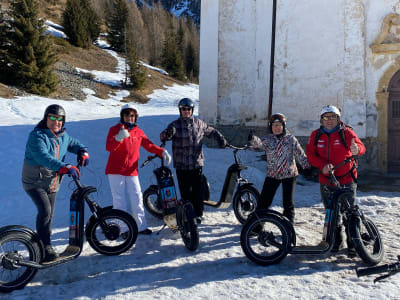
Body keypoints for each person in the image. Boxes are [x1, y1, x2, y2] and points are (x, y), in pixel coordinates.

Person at [22, 104, 89, 262]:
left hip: (52, 183)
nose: (56, 121)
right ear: (46, 118)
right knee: (45, 211)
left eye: (60, 119)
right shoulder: (37, 136)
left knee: (49, 214)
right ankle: (44, 247)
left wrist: (82, 151)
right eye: (52, 117)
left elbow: (73, 143)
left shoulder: (63, 135)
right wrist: (64, 166)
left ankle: (44, 244)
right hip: (34, 182)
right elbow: (42, 157)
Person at [306, 105, 366, 256]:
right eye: (326, 117)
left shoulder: (346, 132)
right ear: (321, 120)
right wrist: (322, 166)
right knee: (331, 213)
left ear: (338, 119)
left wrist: (357, 149)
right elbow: (310, 155)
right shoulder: (316, 135)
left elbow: (360, 146)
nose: (329, 120)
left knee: (350, 212)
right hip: (327, 181)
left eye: (333, 117)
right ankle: (335, 242)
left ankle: (354, 243)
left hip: (346, 179)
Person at [105, 103, 171, 235]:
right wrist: (118, 138)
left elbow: (149, 145)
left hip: (131, 171)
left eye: (132, 115)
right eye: (127, 115)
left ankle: (141, 226)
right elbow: (109, 147)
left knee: (137, 197)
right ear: (122, 116)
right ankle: (122, 228)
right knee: (119, 200)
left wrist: (161, 152)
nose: (130, 118)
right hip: (115, 170)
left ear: (136, 117)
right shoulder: (115, 129)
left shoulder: (138, 132)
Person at [160, 98, 227, 223]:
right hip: (181, 165)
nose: (186, 111)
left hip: (196, 163)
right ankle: (187, 214)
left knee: (197, 190)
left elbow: (211, 131)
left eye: (188, 109)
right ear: (180, 110)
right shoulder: (175, 125)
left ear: (192, 110)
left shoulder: (199, 124)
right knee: (185, 192)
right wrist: (167, 134)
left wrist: (220, 138)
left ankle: (198, 214)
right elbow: (165, 135)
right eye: (183, 109)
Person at [249, 113, 310, 223]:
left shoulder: (291, 139)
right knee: (264, 201)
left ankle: (287, 227)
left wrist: (308, 167)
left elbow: (300, 154)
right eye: (274, 125)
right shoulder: (268, 139)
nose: (276, 128)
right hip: (273, 174)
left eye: (279, 125)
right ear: (270, 127)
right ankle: (256, 226)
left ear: (283, 126)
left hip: (290, 174)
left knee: (288, 203)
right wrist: (253, 139)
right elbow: (258, 144)